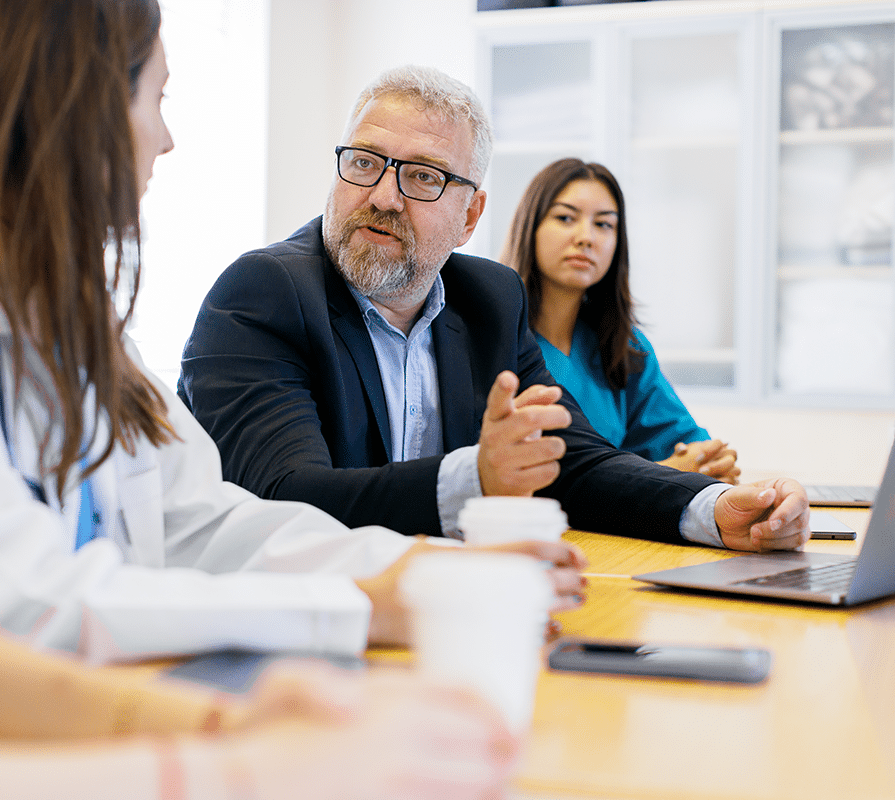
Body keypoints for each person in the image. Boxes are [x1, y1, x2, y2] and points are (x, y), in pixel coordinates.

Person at [0, 2, 517, 797]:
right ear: (85, 103)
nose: (166, 137)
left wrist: (403, 574)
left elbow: (200, 518)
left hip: (48, 740)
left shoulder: (67, 313)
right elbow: (2, 605)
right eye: (154, 97)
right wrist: (330, 626)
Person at [179, 65, 809, 548]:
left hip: (442, 609)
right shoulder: (262, 293)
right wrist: (477, 476)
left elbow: (572, 462)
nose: (384, 197)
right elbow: (286, 499)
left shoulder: (489, 299)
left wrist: (717, 509)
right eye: (365, 163)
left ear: (471, 215)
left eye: (424, 177)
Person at [502, 158, 739, 483]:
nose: (586, 237)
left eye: (604, 224)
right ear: (530, 227)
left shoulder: (624, 346)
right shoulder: (495, 336)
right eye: (565, 218)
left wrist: (712, 460)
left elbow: (688, 443)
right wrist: (667, 475)